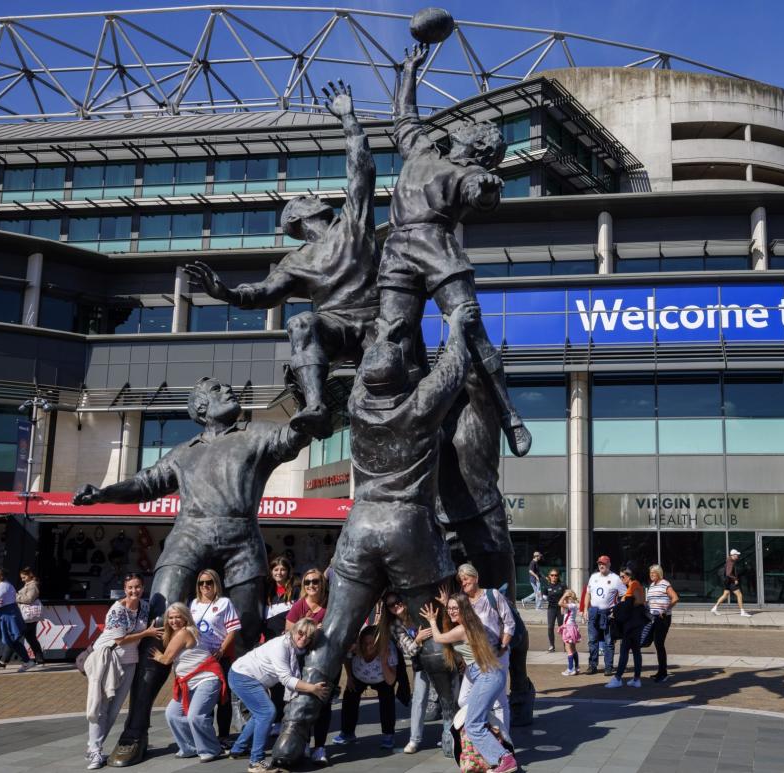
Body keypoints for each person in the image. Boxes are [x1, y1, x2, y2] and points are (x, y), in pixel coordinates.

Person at [273, 303, 479, 766]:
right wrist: (456, 326)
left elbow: (376, 365)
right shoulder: (421, 403)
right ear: (404, 377)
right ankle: (451, 722)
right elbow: (454, 364)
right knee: (431, 629)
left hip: (360, 527)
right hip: (409, 529)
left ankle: (293, 732)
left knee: (332, 634)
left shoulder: (357, 405)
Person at [72, 375, 309, 767]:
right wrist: (103, 493)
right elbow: (145, 483)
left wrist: (309, 403)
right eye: (217, 390)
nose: (228, 391)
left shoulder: (256, 434)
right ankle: (135, 731)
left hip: (241, 540)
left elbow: (295, 437)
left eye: (225, 387)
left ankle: (253, 719)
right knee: (161, 627)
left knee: (247, 633)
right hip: (188, 537)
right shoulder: (184, 453)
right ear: (199, 409)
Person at [182, 81, 377, 439]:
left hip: (377, 319)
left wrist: (349, 119)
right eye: (305, 197)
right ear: (298, 219)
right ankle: (317, 407)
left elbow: (361, 171)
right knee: (302, 322)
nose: (313, 195)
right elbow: (262, 293)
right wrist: (224, 292)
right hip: (335, 326)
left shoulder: (353, 224)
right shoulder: (296, 259)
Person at [377, 43, 531, 458]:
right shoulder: (422, 151)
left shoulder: (471, 172)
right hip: (396, 250)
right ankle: (407, 420)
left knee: (472, 330)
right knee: (393, 339)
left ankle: (508, 414)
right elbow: (403, 118)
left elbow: (481, 194)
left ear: (479, 147)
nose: (462, 126)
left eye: (471, 128)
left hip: (436, 246)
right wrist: (408, 70)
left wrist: (486, 188)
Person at [420, 596, 519, 773]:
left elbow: (439, 638)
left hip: (487, 676)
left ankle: (504, 758)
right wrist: (447, 607)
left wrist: (432, 621)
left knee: (473, 725)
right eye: (450, 608)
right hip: (486, 675)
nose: (451, 611)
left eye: (455, 608)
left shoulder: (463, 629)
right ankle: (496, 751)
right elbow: (452, 623)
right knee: (470, 712)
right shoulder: (470, 623)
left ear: (464, 609)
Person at [228, 619, 328, 772]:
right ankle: (256, 762)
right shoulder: (280, 646)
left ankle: (238, 749)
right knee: (267, 713)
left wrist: (316, 630)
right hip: (243, 676)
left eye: (308, 636)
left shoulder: (294, 646)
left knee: (259, 714)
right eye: (301, 633)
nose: (303, 638)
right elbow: (286, 679)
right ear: (293, 631)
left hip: (248, 676)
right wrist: (312, 688)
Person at [83, 574, 160, 771]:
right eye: (130, 588)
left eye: (137, 587)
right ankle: (95, 751)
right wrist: (147, 633)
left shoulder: (144, 606)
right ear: (124, 589)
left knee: (114, 709)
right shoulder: (116, 610)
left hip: (130, 662)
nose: (134, 591)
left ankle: (94, 747)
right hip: (109, 660)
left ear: (143, 588)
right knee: (100, 707)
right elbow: (120, 640)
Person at [154, 603, 225, 762]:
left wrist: (156, 655)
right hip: (188, 683)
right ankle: (189, 747)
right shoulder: (176, 634)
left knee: (195, 716)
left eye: (178, 616)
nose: (174, 621)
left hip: (206, 679)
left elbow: (166, 659)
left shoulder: (184, 633)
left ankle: (211, 749)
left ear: (186, 618)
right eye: (171, 618)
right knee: (172, 714)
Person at [455, 563, 516, 735]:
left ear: (475, 578)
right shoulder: (463, 601)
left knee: (499, 700)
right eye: (461, 581)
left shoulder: (492, 595)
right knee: (463, 698)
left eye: (466, 579)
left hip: (497, 653)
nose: (463, 583)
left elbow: (509, 623)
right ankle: (485, 726)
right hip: (474, 657)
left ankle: (504, 739)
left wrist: (503, 645)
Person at [284, 567, 330, 764]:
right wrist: (309, 630)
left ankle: (320, 747)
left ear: (322, 584)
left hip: (324, 663)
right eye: (307, 582)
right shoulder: (299, 606)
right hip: (302, 662)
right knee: (301, 702)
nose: (311, 585)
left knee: (322, 704)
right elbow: (288, 633)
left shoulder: (329, 606)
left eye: (315, 581)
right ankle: (304, 742)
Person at [189, 569, 241, 739]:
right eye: (201, 583)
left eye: (209, 582)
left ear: (216, 583)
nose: (205, 586)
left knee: (223, 698)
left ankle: (224, 736)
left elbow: (232, 630)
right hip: (201, 659)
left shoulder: (225, 603)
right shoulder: (194, 604)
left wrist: (221, 651)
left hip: (220, 658)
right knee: (205, 699)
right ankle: (207, 736)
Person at [383, 591, 434, 754]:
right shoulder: (395, 626)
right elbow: (408, 651)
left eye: (397, 601)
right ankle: (414, 739)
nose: (396, 606)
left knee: (452, 699)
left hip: (440, 660)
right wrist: (418, 639)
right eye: (391, 605)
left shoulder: (417, 612)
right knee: (418, 700)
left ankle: (453, 735)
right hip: (421, 664)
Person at [333, 625, 398, 750]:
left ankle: (388, 734)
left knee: (387, 700)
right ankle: (347, 733)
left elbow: (391, 681)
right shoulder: (356, 647)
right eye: (365, 643)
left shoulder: (388, 649)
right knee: (350, 697)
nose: (368, 646)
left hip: (382, 678)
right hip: (359, 675)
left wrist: (384, 661)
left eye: (372, 643)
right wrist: (350, 677)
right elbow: (347, 658)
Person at [582, 555, 625, 676]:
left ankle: (608, 667)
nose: (602, 565)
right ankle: (592, 665)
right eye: (600, 563)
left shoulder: (616, 578)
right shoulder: (593, 577)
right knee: (592, 640)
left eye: (604, 563)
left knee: (609, 641)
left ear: (609, 564)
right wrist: (585, 609)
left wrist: (616, 610)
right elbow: (588, 594)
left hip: (608, 614)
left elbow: (624, 595)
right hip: (593, 612)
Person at [607, 567, 647, 688]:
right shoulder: (637, 586)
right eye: (620, 577)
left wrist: (618, 608)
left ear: (629, 576)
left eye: (622, 576)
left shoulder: (633, 585)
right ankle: (636, 679)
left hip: (631, 624)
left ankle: (618, 678)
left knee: (624, 650)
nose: (621, 579)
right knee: (636, 651)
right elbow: (640, 602)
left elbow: (633, 602)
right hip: (637, 623)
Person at [646, 564, 680, 683]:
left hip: (663, 617)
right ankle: (660, 671)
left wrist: (666, 609)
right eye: (650, 573)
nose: (651, 575)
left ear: (659, 573)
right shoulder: (652, 585)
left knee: (659, 643)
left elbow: (675, 598)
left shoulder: (665, 583)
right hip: (653, 617)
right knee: (656, 643)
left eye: (653, 573)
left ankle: (663, 673)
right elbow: (650, 600)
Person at [16, 567, 46, 666]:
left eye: (24, 577)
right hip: (29, 616)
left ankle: (3, 661)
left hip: (28, 616)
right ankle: (40, 658)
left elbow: (29, 599)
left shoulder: (32, 585)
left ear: (30, 575)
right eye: (21, 577)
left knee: (15, 637)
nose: (22, 579)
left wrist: (16, 597)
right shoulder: (29, 584)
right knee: (31, 638)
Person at [710, 548, 752, 617]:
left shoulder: (729, 560)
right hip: (731, 582)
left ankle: (714, 608)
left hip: (727, 582)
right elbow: (728, 573)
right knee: (739, 595)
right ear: (733, 555)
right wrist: (735, 579)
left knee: (725, 594)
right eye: (737, 555)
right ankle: (742, 612)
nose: (738, 556)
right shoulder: (731, 562)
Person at [264, 557, 298, 639]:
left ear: (288, 572)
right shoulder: (266, 591)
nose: (279, 572)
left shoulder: (296, 590)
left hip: (288, 639)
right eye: (276, 570)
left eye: (283, 569)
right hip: (268, 640)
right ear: (271, 572)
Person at [557, 590, 582, 676]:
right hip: (571, 627)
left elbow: (559, 603)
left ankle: (570, 669)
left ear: (569, 597)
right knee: (573, 649)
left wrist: (564, 596)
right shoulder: (571, 606)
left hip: (569, 628)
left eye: (567, 597)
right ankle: (577, 667)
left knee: (569, 650)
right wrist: (564, 600)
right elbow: (562, 611)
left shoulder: (572, 605)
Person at [541, 569, 566, 653]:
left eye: (555, 575)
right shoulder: (546, 586)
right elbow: (544, 597)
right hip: (551, 609)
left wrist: (565, 606)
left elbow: (567, 596)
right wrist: (543, 597)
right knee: (550, 627)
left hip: (560, 609)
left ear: (558, 576)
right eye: (552, 575)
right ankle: (552, 646)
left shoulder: (562, 585)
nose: (554, 577)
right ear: (549, 576)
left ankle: (566, 646)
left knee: (562, 628)